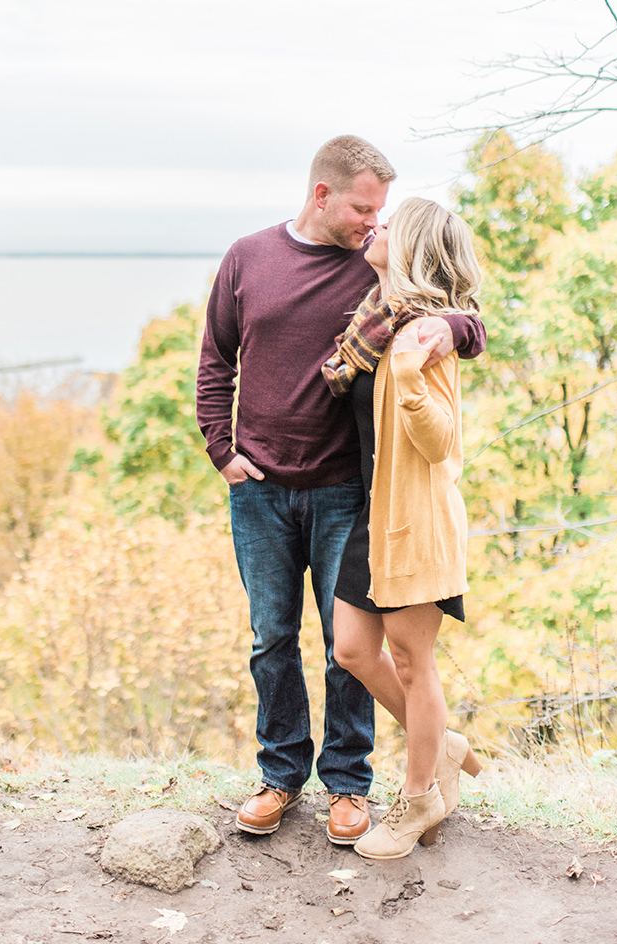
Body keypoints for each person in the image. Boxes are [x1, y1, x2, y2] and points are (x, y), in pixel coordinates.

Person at [196, 135, 486, 843]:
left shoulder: (374, 278)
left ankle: (348, 786)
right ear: (321, 194)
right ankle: (279, 775)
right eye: (363, 207)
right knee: (271, 640)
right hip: (259, 488)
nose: (371, 222)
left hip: (346, 495)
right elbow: (215, 356)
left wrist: (450, 329)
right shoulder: (248, 257)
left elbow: (456, 309)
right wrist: (221, 450)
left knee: (343, 647)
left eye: (381, 212)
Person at [330, 197, 483, 859]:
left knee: (414, 667)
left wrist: (411, 380)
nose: (376, 228)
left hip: (415, 524)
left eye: (390, 225)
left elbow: (440, 442)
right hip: (374, 516)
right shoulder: (381, 321)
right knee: (352, 652)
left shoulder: (423, 337)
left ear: (413, 247)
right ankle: (442, 743)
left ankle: (420, 795)